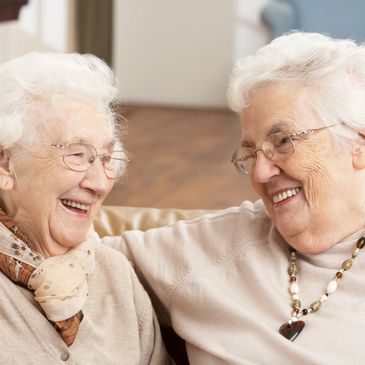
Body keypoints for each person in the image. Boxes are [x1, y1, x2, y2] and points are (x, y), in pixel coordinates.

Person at [103, 32, 365, 365]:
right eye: (250, 154)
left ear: (358, 144)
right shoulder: (213, 246)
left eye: (283, 141)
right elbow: (67, 255)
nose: (259, 174)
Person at [0, 52, 171, 364]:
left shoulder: (115, 274)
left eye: (106, 159)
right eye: (78, 155)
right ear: (5, 164)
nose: (100, 183)